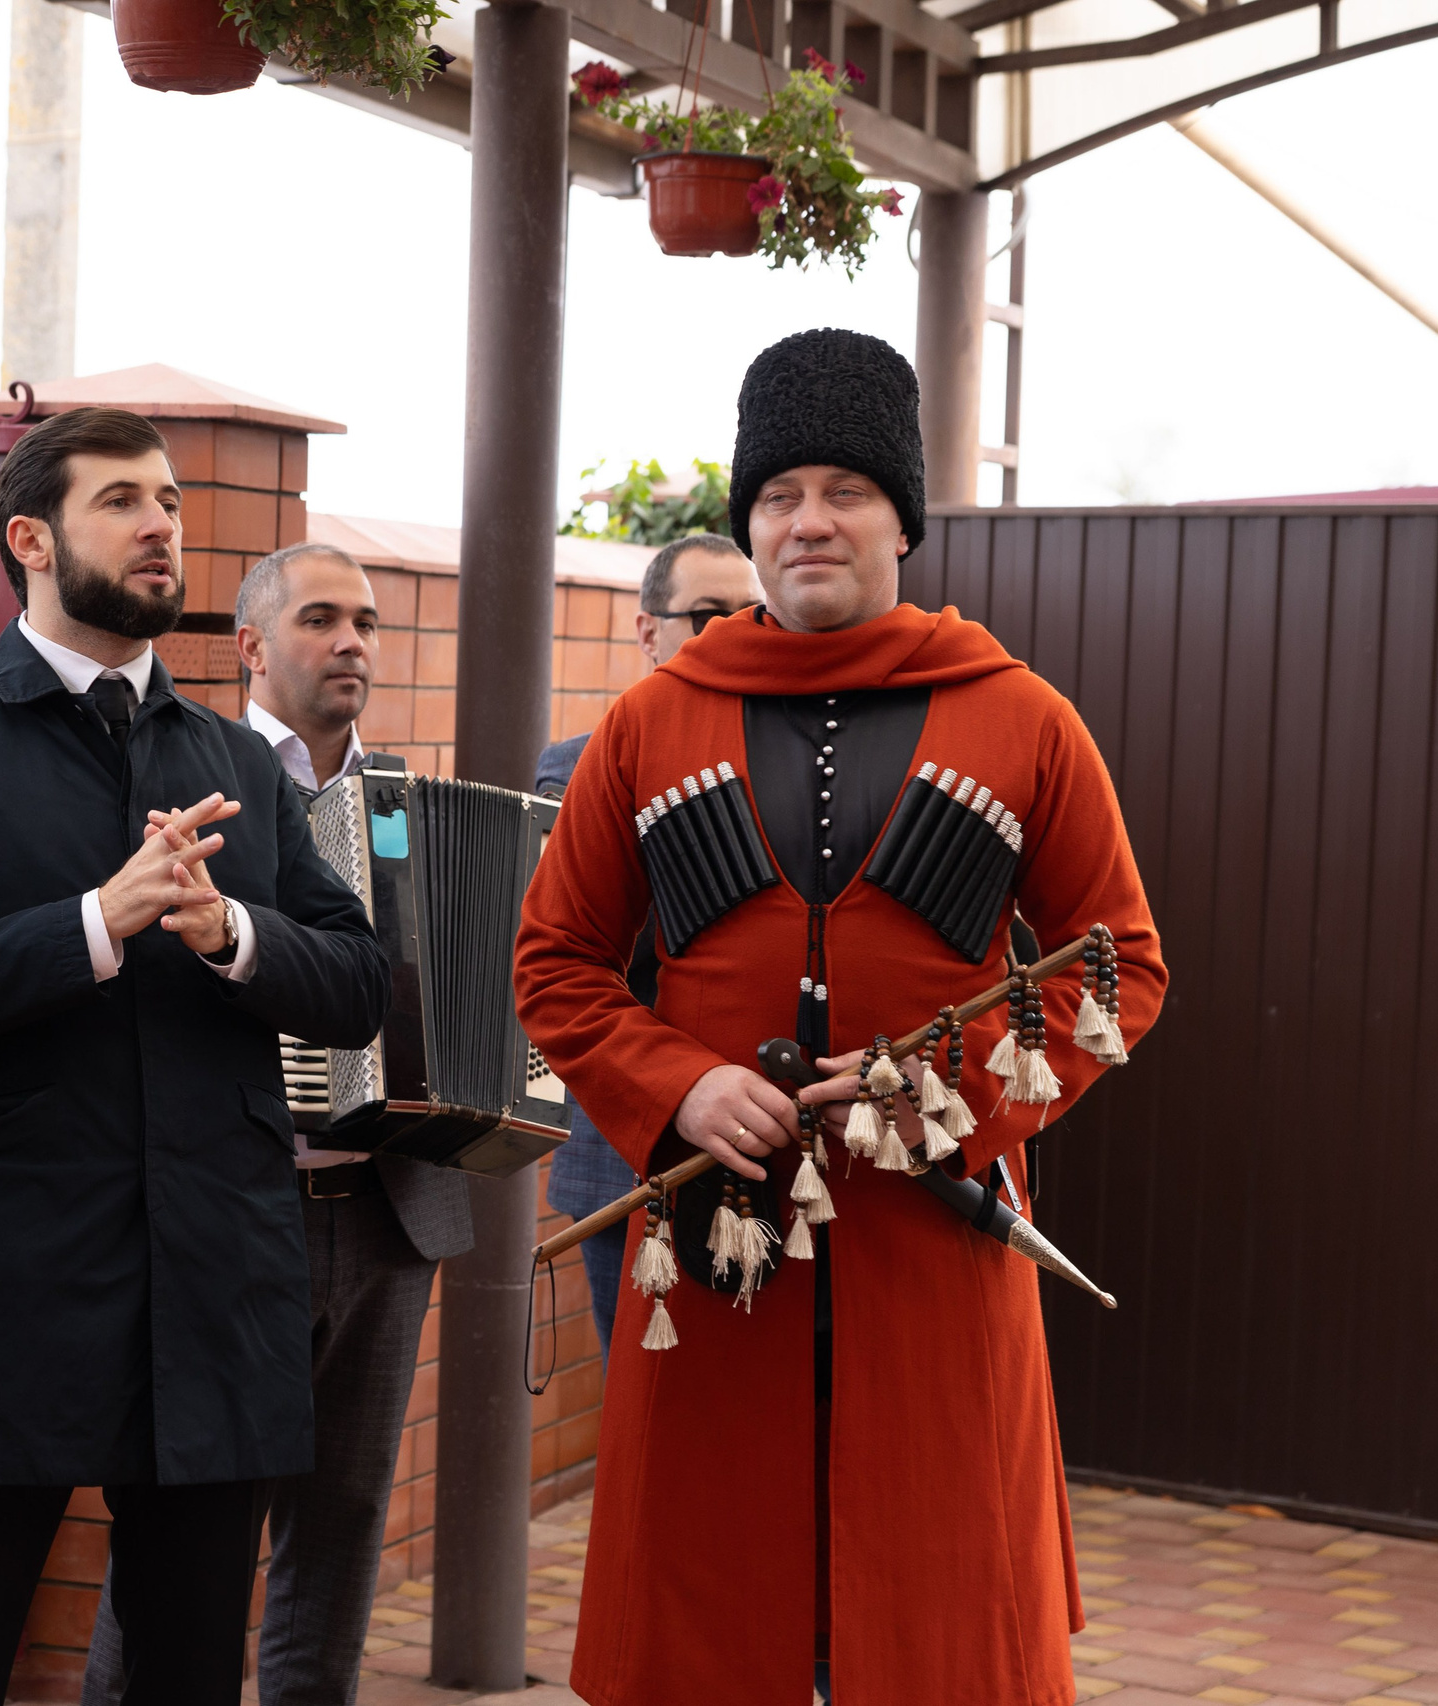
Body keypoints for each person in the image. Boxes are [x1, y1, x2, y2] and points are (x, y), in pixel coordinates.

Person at [515, 329, 1165, 1706]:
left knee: (931, 1622)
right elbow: (558, 961)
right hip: (713, 1242)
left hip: (934, 1235)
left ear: (902, 519)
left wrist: (944, 1094)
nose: (809, 519)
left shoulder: (1022, 719)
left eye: (846, 489)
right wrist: (679, 1085)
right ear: (748, 522)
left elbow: (1119, 962)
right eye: (778, 493)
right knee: (710, 1615)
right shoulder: (651, 723)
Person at [0, 407, 390, 1706]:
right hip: (10, 1286)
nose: (160, 526)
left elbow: (357, 984)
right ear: (30, 538)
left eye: (171, 502)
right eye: (123, 500)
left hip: (216, 1289)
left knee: (189, 1671)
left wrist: (229, 928)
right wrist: (98, 921)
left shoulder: (233, 757)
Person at [79, 539, 466, 1706]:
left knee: (342, 1523)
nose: (351, 640)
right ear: (250, 643)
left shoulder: (413, 802)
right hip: (234, 1211)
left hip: (388, 1211)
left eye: (366, 620)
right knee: (186, 1527)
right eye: (321, 619)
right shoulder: (188, 778)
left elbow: (445, 997)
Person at [533, 533, 761, 1354]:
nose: (731, 631)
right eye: (706, 615)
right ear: (647, 633)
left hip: (768, 1146)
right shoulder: (578, 769)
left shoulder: (789, 767)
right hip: (629, 1158)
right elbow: (572, 961)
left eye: (748, 613)